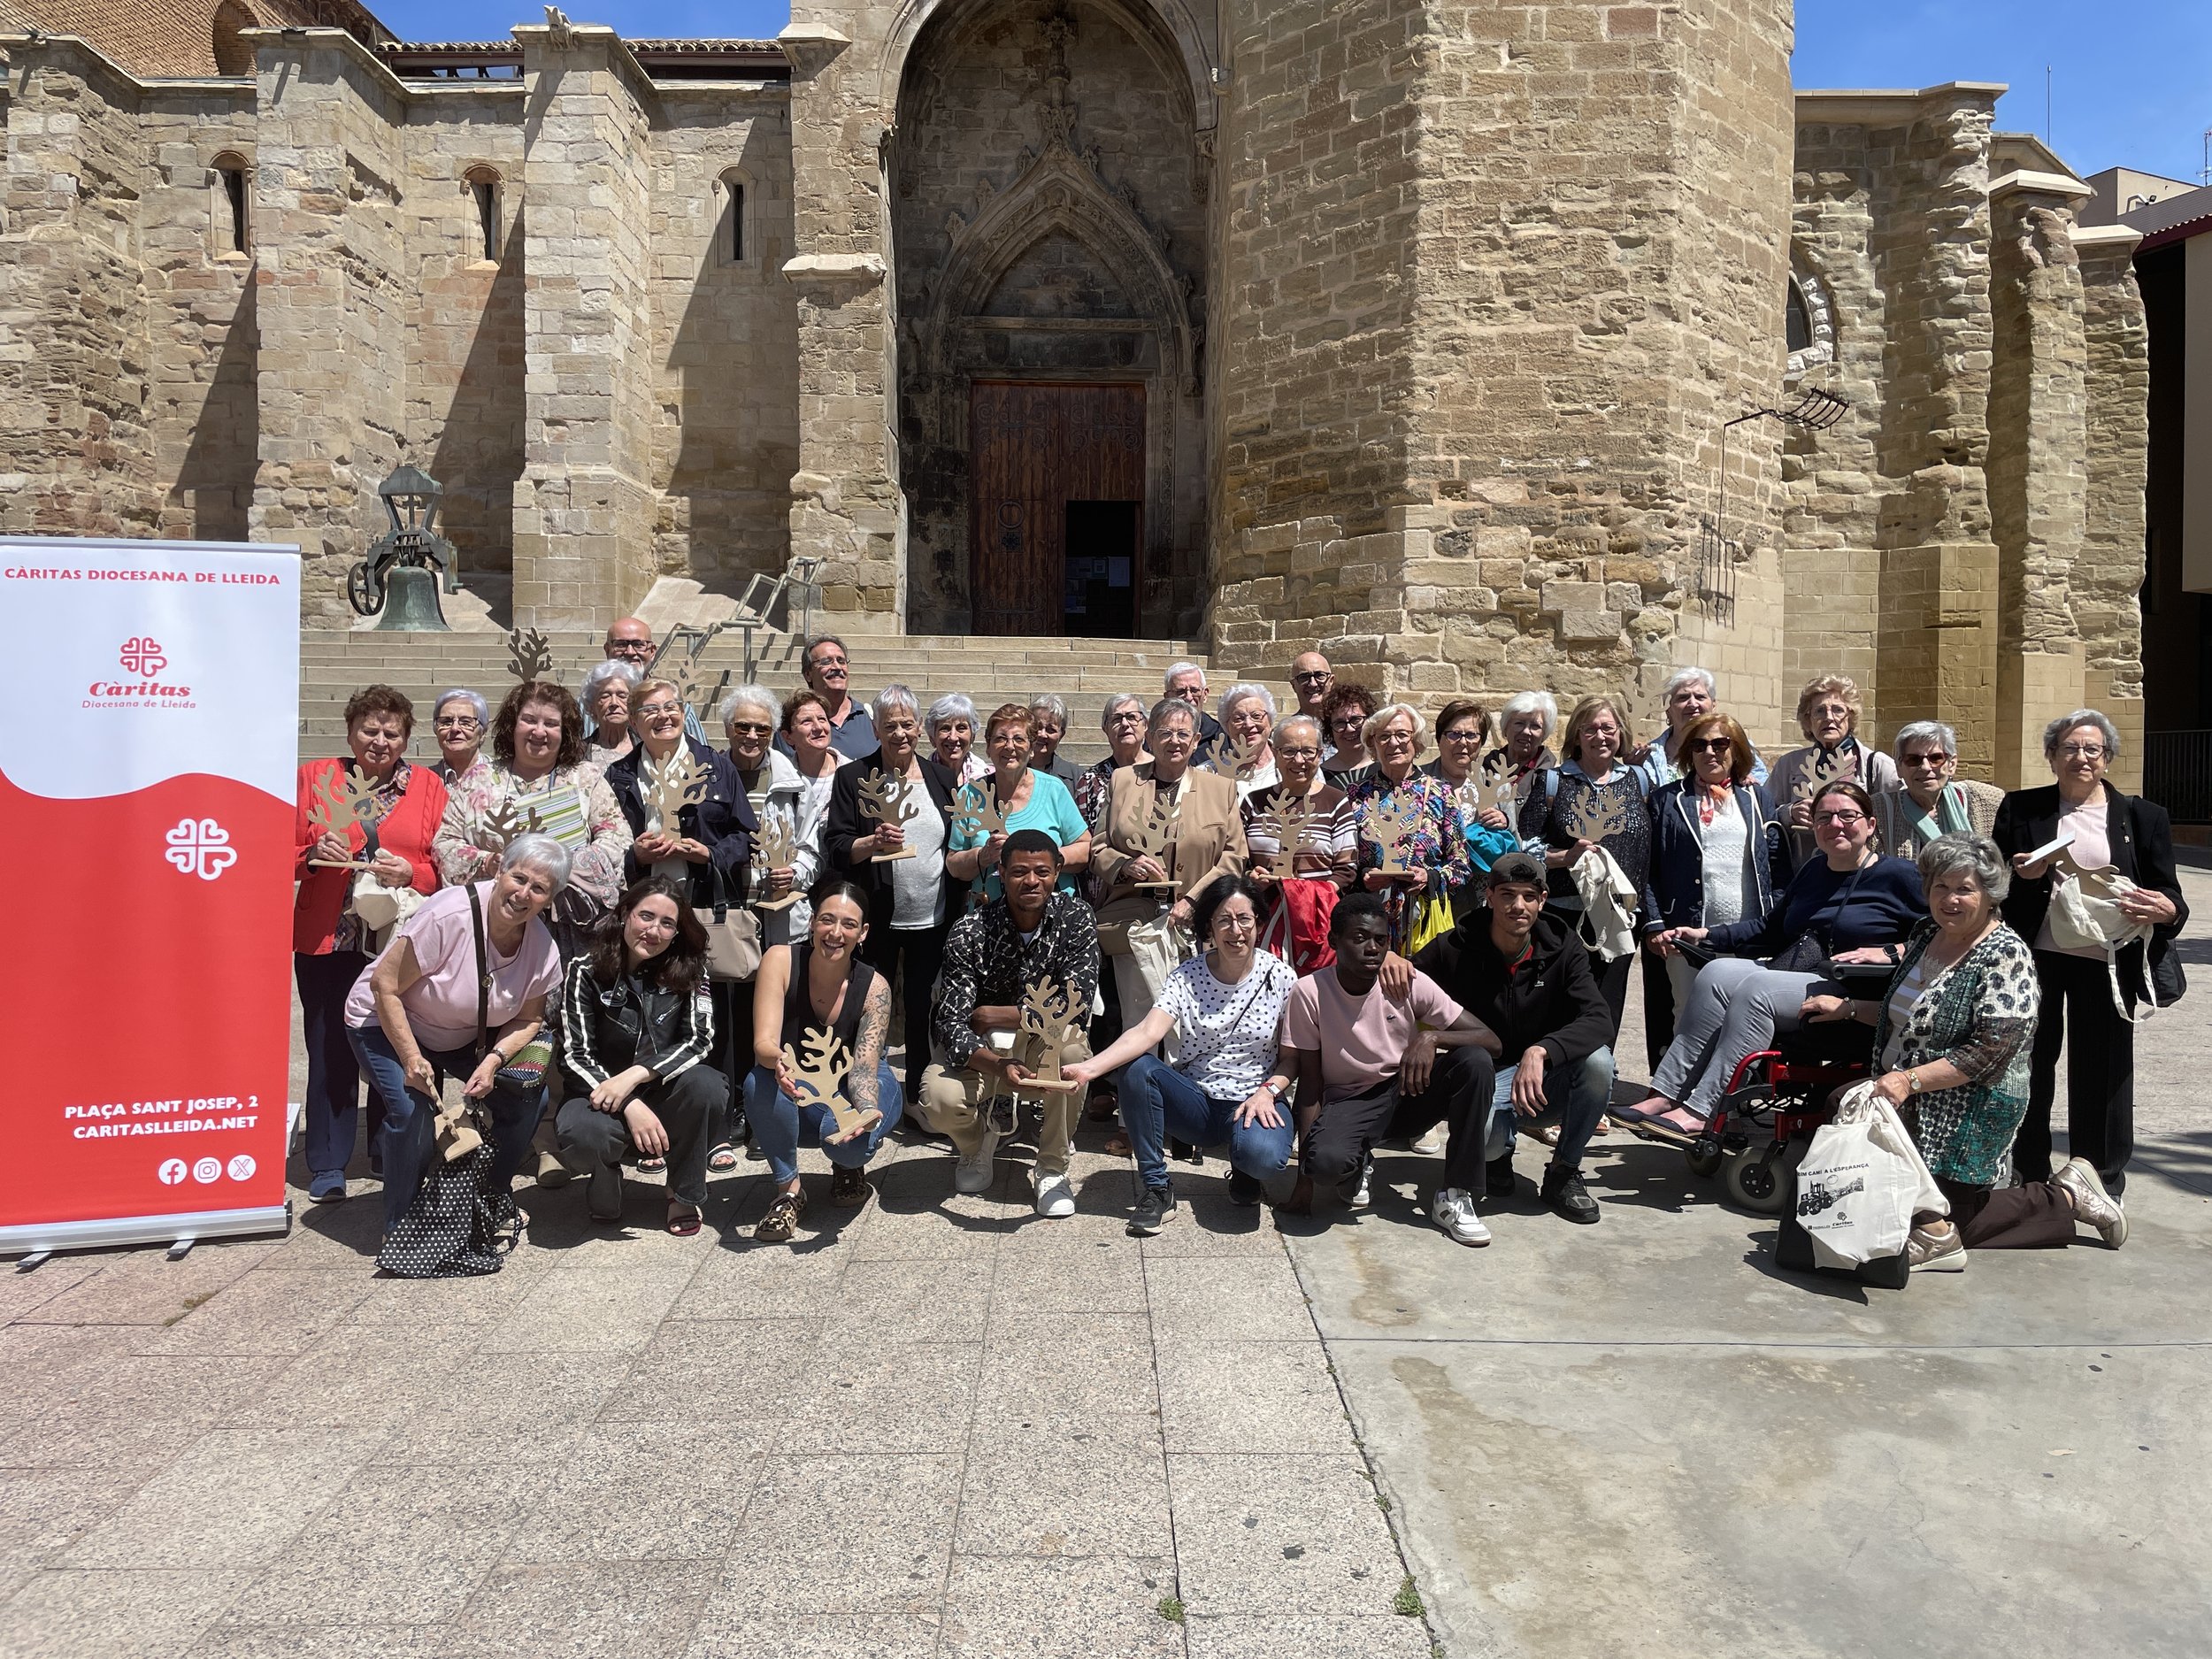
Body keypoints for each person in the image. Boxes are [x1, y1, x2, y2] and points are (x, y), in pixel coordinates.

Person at [1801, 833, 2125, 1269]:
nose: (1950, 900)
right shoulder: (1925, 933)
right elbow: (1912, 1012)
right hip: (1908, 1093)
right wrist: (1848, 1008)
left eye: (1964, 889)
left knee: (1951, 1224)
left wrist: (1905, 1080)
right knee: (1844, 1112)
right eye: (1940, 887)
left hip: (1971, 1100)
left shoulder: (2006, 956)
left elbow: (1987, 1052)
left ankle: (2067, 1195)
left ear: (1990, 895)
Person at [1620, 780, 1926, 1145]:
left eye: (1848, 816)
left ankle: (1703, 1110)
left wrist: (1893, 952)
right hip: (1799, 973)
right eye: (1824, 817)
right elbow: (1771, 927)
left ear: (1870, 825)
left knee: (1757, 989)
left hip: (1853, 989)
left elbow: (1941, 934)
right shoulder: (1814, 870)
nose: (1836, 825)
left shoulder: (1901, 876)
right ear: (1813, 826)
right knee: (1716, 972)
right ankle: (1665, 1093)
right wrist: (1707, 935)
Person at [1993, 710, 2185, 1202]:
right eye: (2070, 749)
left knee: (2102, 1069)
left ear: (2107, 759)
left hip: (2108, 957)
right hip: (2035, 955)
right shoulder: (2021, 809)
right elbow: (1993, 883)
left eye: (2091, 750)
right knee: (2030, 1060)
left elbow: (2169, 894)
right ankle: (2029, 1171)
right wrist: (2021, 878)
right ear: (2052, 756)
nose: (2081, 758)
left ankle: (2101, 1179)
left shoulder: (2144, 817)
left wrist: (2164, 910)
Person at [345, 835, 570, 1235]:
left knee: (527, 1096)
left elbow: (529, 1020)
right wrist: (413, 1060)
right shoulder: (449, 913)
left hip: (465, 1032)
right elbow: (385, 985)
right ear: (499, 871)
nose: (523, 894)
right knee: (411, 1108)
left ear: (550, 899)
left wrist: (493, 1061)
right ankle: (404, 1223)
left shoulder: (543, 949)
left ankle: (487, 1194)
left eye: (539, 889)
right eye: (518, 878)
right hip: (384, 1020)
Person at [1064, 875, 1299, 1232]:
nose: (1235, 930)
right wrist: (1089, 1069)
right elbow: (1146, 1032)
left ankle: (1246, 1171)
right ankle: (1157, 1187)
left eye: (1244, 919)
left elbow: (1293, 1057)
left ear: (1258, 923)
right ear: (1209, 928)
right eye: (1224, 920)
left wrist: (1270, 1091)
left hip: (1256, 1099)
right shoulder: (1186, 976)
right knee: (1137, 1068)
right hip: (1198, 1102)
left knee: (1263, 1158)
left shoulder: (1282, 977)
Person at [294, 686, 450, 1203]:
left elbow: (436, 861)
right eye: (370, 729)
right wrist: (313, 850)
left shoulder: (426, 785)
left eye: (392, 732)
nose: (380, 740)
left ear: (406, 739)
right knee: (329, 1045)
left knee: (395, 1038)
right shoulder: (317, 778)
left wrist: (413, 871)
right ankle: (328, 1161)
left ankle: (390, 1148)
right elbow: (282, 846)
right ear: (350, 731)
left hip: (396, 935)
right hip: (330, 935)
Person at [1414, 853, 1618, 1230]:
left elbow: (1599, 1018)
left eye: (1528, 896)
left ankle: (1564, 1171)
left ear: (1542, 899)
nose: (1518, 906)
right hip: (1484, 1078)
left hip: (1542, 1080)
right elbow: (1407, 982)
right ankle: (1498, 1156)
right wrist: (1396, 964)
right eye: (1507, 894)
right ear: (1488, 896)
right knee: (1487, 1141)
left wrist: (1543, 1051)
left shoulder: (1564, 946)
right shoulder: (1457, 946)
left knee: (1599, 1063)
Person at [1277, 895, 1499, 1234]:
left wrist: (1432, 1038)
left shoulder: (1405, 982)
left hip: (1406, 1091)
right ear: (1334, 941)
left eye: (1381, 941)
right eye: (1359, 938)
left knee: (1474, 1061)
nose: (1372, 949)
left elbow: (1491, 1041)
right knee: (1326, 1165)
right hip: (1350, 1101)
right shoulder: (1309, 992)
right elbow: (1309, 1085)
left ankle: (1456, 1192)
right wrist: (1304, 1182)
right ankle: (1355, 1161)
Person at [604, 680, 757, 1172]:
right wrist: (634, 854)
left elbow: (743, 837)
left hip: (704, 908)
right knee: (656, 1018)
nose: (663, 716)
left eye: (672, 707)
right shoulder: (620, 774)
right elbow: (605, 840)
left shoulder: (717, 766)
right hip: (645, 915)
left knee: (715, 1016)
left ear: (684, 712)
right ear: (633, 720)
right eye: (650, 710)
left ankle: (720, 1124)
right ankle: (659, 1128)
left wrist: (709, 852)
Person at [919, 832, 1101, 1217]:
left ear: (1057, 873)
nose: (1030, 881)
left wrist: (997, 1013)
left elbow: (1076, 1000)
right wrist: (997, 1064)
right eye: (1018, 871)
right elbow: (952, 1022)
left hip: (1045, 1043)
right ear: (1000, 872)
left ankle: (1052, 1168)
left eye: (1041, 871)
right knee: (939, 1098)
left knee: (1072, 1052)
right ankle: (975, 1147)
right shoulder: (970, 929)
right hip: (985, 1051)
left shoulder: (1077, 919)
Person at [555, 879, 725, 1233]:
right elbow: (575, 1053)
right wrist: (628, 1103)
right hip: (598, 1095)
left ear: (678, 932)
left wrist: (638, 1074)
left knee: (707, 1087)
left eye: (667, 923)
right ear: (624, 915)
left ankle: (684, 1193)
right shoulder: (584, 970)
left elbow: (699, 1040)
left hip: (661, 1088)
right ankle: (604, 1177)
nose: (654, 930)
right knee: (582, 1133)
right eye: (645, 916)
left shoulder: (693, 970)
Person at [823, 683, 963, 1108]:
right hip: (877, 919)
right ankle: (867, 1093)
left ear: (920, 727)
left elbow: (953, 841)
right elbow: (838, 844)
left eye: (907, 724)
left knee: (922, 1008)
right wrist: (872, 843)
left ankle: (919, 1098)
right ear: (877, 731)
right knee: (869, 1007)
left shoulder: (942, 777)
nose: (900, 733)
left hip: (932, 917)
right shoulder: (854, 777)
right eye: (890, 726)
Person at [743, 882, 902, 1242]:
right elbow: (764, 1042)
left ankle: (850, 1166)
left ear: (862, 933)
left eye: (848, 924)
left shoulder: (875, 988)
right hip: (799, 1077)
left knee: (848, 1143)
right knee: (757, 1083)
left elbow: (863, 1070)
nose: (835, 933)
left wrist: (862, 1113)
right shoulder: (780, 960)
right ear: (812, 922)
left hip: (857, 1079)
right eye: (827, 920)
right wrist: (779, 1060)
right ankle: (788, 1191)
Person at [434, 679, 634, 959]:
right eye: (529, 720)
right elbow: (445, 844)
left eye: (551, 724)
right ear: (512, 727)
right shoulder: (478, 779)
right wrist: (489, 862)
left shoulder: (585, 777)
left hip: (569, 924)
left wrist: (562, 868)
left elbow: (617, 839)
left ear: (564, 732)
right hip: (491, 921)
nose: (540, 731)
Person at [1092, 697, 1249, 1026]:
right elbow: (1099, 848)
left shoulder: (1220, 789)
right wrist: (1123, 865)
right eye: (1165, 733)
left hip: (1195, 922)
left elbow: (1234, 857)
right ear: (1149, 738)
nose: (1174, 741)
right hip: (1136, 924)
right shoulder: (1123, 781)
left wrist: (1195, 900)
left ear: (1195, 741)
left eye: (1183, 734)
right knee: (1139, 1021)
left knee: (1193, 1019)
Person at [1640, 712, 1786, 1056]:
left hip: (1749, 932)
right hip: (1687, 933)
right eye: (1699, 744)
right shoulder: (1667, 800)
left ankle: (1733, 1102)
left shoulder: (1757, 799)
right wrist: (1656, 924)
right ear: (1688, 753)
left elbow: (1778, 865)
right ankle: (1681, 1095)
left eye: (1720, 744)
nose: (1710, 752)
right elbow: (1649, 869)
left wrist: (1776, 916)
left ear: (1736, 750)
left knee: (1745, 1018)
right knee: (1689, 1016)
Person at [1516, 695, 1651, 1038]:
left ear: (1621, 733)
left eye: (1608, 728)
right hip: (1563, 917)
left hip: (1617, 917)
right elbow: (1525, 850)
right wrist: (1565, 858)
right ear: (1576, 736)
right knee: (1559, 1004)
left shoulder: (1639, 781)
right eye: (1589, 729)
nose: (1600, 736)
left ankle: (1598, 1079)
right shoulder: (1554, 782)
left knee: (1607, 1004)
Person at [1345, 703, 1469, 955]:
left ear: (1417, 741)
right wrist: (1363, 876)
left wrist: (1430, 878)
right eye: (1384, 736)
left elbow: (1461, 864)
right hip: (1370, 919)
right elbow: (1344, 862)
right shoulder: (1356, 795)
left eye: (1402, 734)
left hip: (1422, 921)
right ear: (1373, 744)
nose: (1393, 743)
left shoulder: (1440, 793)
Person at [1240, 712, 1356, 969]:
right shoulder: (1253, 802)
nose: (1299, 760)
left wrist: (1307, 897)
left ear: (1321, 753)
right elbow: (1238, 859)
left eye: (1308, 752)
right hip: (1263, 917)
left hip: (1316, 923)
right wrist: (1251, 879)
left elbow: (1346, 869)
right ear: (1274, 751)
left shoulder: (1335, 802)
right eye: (1289, 751)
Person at [946, 703, 1091, 902]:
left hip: (1051, 914)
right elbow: (954, 864)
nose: (1009, 746)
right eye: (1000, 739)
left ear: (1031, 749)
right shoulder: (971, 795)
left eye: (1019, 739)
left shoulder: (1054, 790)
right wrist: (983, 855)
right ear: (988, 748)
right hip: (991, 915)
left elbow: (1085, 848)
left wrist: (1044, 858)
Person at [1770, 675, 1901, 871]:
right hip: (1804, 873)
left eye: (1838, 710)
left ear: (1851, 716)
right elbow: (1762, 814)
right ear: (1808, 719)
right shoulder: (1788, 765)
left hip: (1861, 874)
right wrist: (1789, 813)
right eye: (1819, 711)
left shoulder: (1876, 765)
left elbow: (1902, 815)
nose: (1829, 717)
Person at [1425, 698, 1520, 905]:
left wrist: (1505, 823)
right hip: (1430, 893)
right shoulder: (1419, 782)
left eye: (1471, 735)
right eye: (1454, 734)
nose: (1463, 742)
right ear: (1439, 739)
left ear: (1481, 741)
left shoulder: (1498, 786)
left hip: (1482, 897)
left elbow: (1515, 847)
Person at [1873, 720, 2003, 860]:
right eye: (1913, 759)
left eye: (1935, 758)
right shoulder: (1880, 810)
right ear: (1899, 768)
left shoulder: (1985, 800)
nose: (1925, 767)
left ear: (1951, 765)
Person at [1629, 667, 1770, 793]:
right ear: (1668, 708)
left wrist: (1745, 781)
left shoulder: (1735, 745)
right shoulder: (1649, 756)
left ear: (1713, 705)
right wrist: (1634, 771)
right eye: (1683, 698)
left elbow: (1764, 789)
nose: (1692, 703)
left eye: (1700, 697)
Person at [776, 633, 877, 761]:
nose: (837, 667)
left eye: (841, 661)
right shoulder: (792, 723)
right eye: (826, 662)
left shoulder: (870, 717)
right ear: (808, 674)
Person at [1072, 691, 1149, 833]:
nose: (1125, 724)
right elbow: (1082, 836)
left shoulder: (1163, 770)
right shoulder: (1090, 780)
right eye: (1117, 719)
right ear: (1105, 728)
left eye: (1132, 717)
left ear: (1145, 725)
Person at [1482, 691, 1559, 801]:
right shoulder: (1484, 769)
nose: (1526, 731)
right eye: (1519, 723)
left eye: (1535, 726)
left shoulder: (1555, 775)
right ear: (1506, 727)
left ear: (1544, 734)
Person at [1208, 683, 1280, 797]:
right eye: (1238, 719)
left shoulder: (1292, 766)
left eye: (1256, 716)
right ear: (1227, 727)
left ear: (1270, 721)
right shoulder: (1209, 773)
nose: (1248, 724)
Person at [1317, 679, 1379, 788]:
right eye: (1340, 723)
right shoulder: (1319, 776)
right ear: (1330, 729)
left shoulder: (1387, 767)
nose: (1349, 729)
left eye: (1356, 720)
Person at [581, 660, 641, 770]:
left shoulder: (646, 748)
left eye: (622, 695)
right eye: (605, 696)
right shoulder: (578, 754)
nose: (614, 702)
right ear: (592, 706)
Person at [1164, 660, 1225, 764]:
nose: (1188, 697)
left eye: (1194, 690)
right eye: (1181, 692)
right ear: (1167, 697)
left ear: (1205, 695)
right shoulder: (1157, 735)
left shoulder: (1220, 735)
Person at [430, 688, 491, 788]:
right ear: (436, 730)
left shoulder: (505, 779)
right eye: (446, 722)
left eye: (466, 722)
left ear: (483, 732)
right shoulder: (423, 781)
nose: (455, 728)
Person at [927, 691, 990, 785]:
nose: (953, 737)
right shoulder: (922, 776)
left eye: (961, 728)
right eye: (945, 728)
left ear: (972, 736)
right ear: (932, 738)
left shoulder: (985, 778)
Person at [1027, 694, 1084, 786]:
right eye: (1037, 727)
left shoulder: (1077, 777)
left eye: (1051, 730)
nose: (1043, 734)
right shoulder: (1010, 771)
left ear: (1062, 735)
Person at [1288, 651, 1334, 722]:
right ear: (1293, 685)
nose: (1313, 684)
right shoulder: (1287, 730)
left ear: (1331, 681)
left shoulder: (1348, 727)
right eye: (1304, 677)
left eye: (1320, 675)